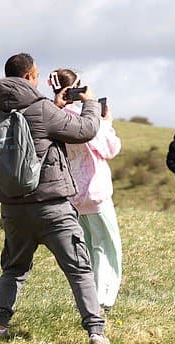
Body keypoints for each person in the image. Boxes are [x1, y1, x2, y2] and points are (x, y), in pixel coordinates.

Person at [0, 53, 112, 344]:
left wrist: (55, 106)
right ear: (29, 77)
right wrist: (89, 102)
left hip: (12, 207)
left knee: (14, 268)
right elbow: (85, 130)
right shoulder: (41, 108)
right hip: (52, 206)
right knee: (79, 268)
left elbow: (30, 129)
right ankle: (96, 332)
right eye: (35, 75)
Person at [49, 68, 123, 313]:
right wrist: (106, 123)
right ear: (79, 87)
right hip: (96, 191)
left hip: (71, 191)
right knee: (107, 246)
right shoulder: (87, 118)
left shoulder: (54, 117)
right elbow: (110, 149)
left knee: (87, 247)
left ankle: (87, 296)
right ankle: (103, 299)